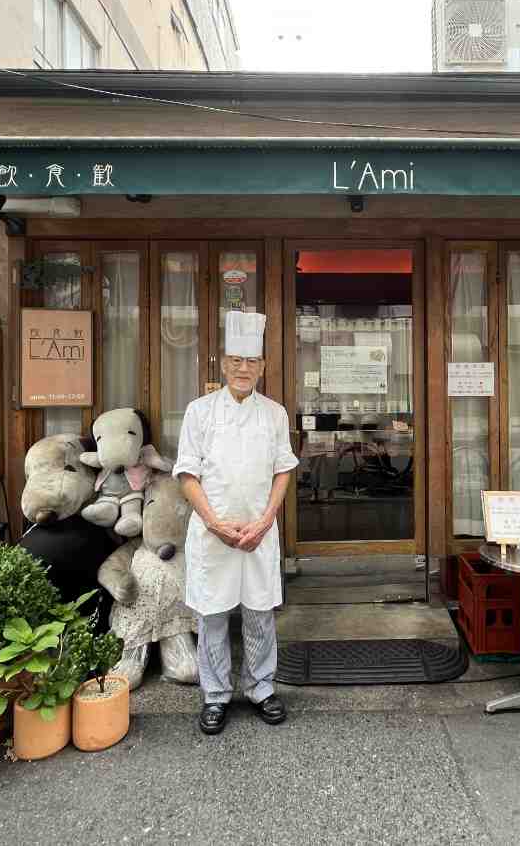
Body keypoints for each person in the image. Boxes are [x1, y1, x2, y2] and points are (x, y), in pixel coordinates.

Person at [173, 311, 299, 735]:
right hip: (213, 535)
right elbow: (187, 474)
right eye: (236, 360)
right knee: (212, 615)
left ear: (262, 366)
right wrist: (213, 523)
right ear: (223, 364)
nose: (244, 369)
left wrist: (265, 520)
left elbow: (283, 470)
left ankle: (262, 688)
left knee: (260, 612)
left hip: (259, 532)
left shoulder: (275, 414)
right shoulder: (199, 412)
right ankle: (215, 695)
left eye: (252, 361)